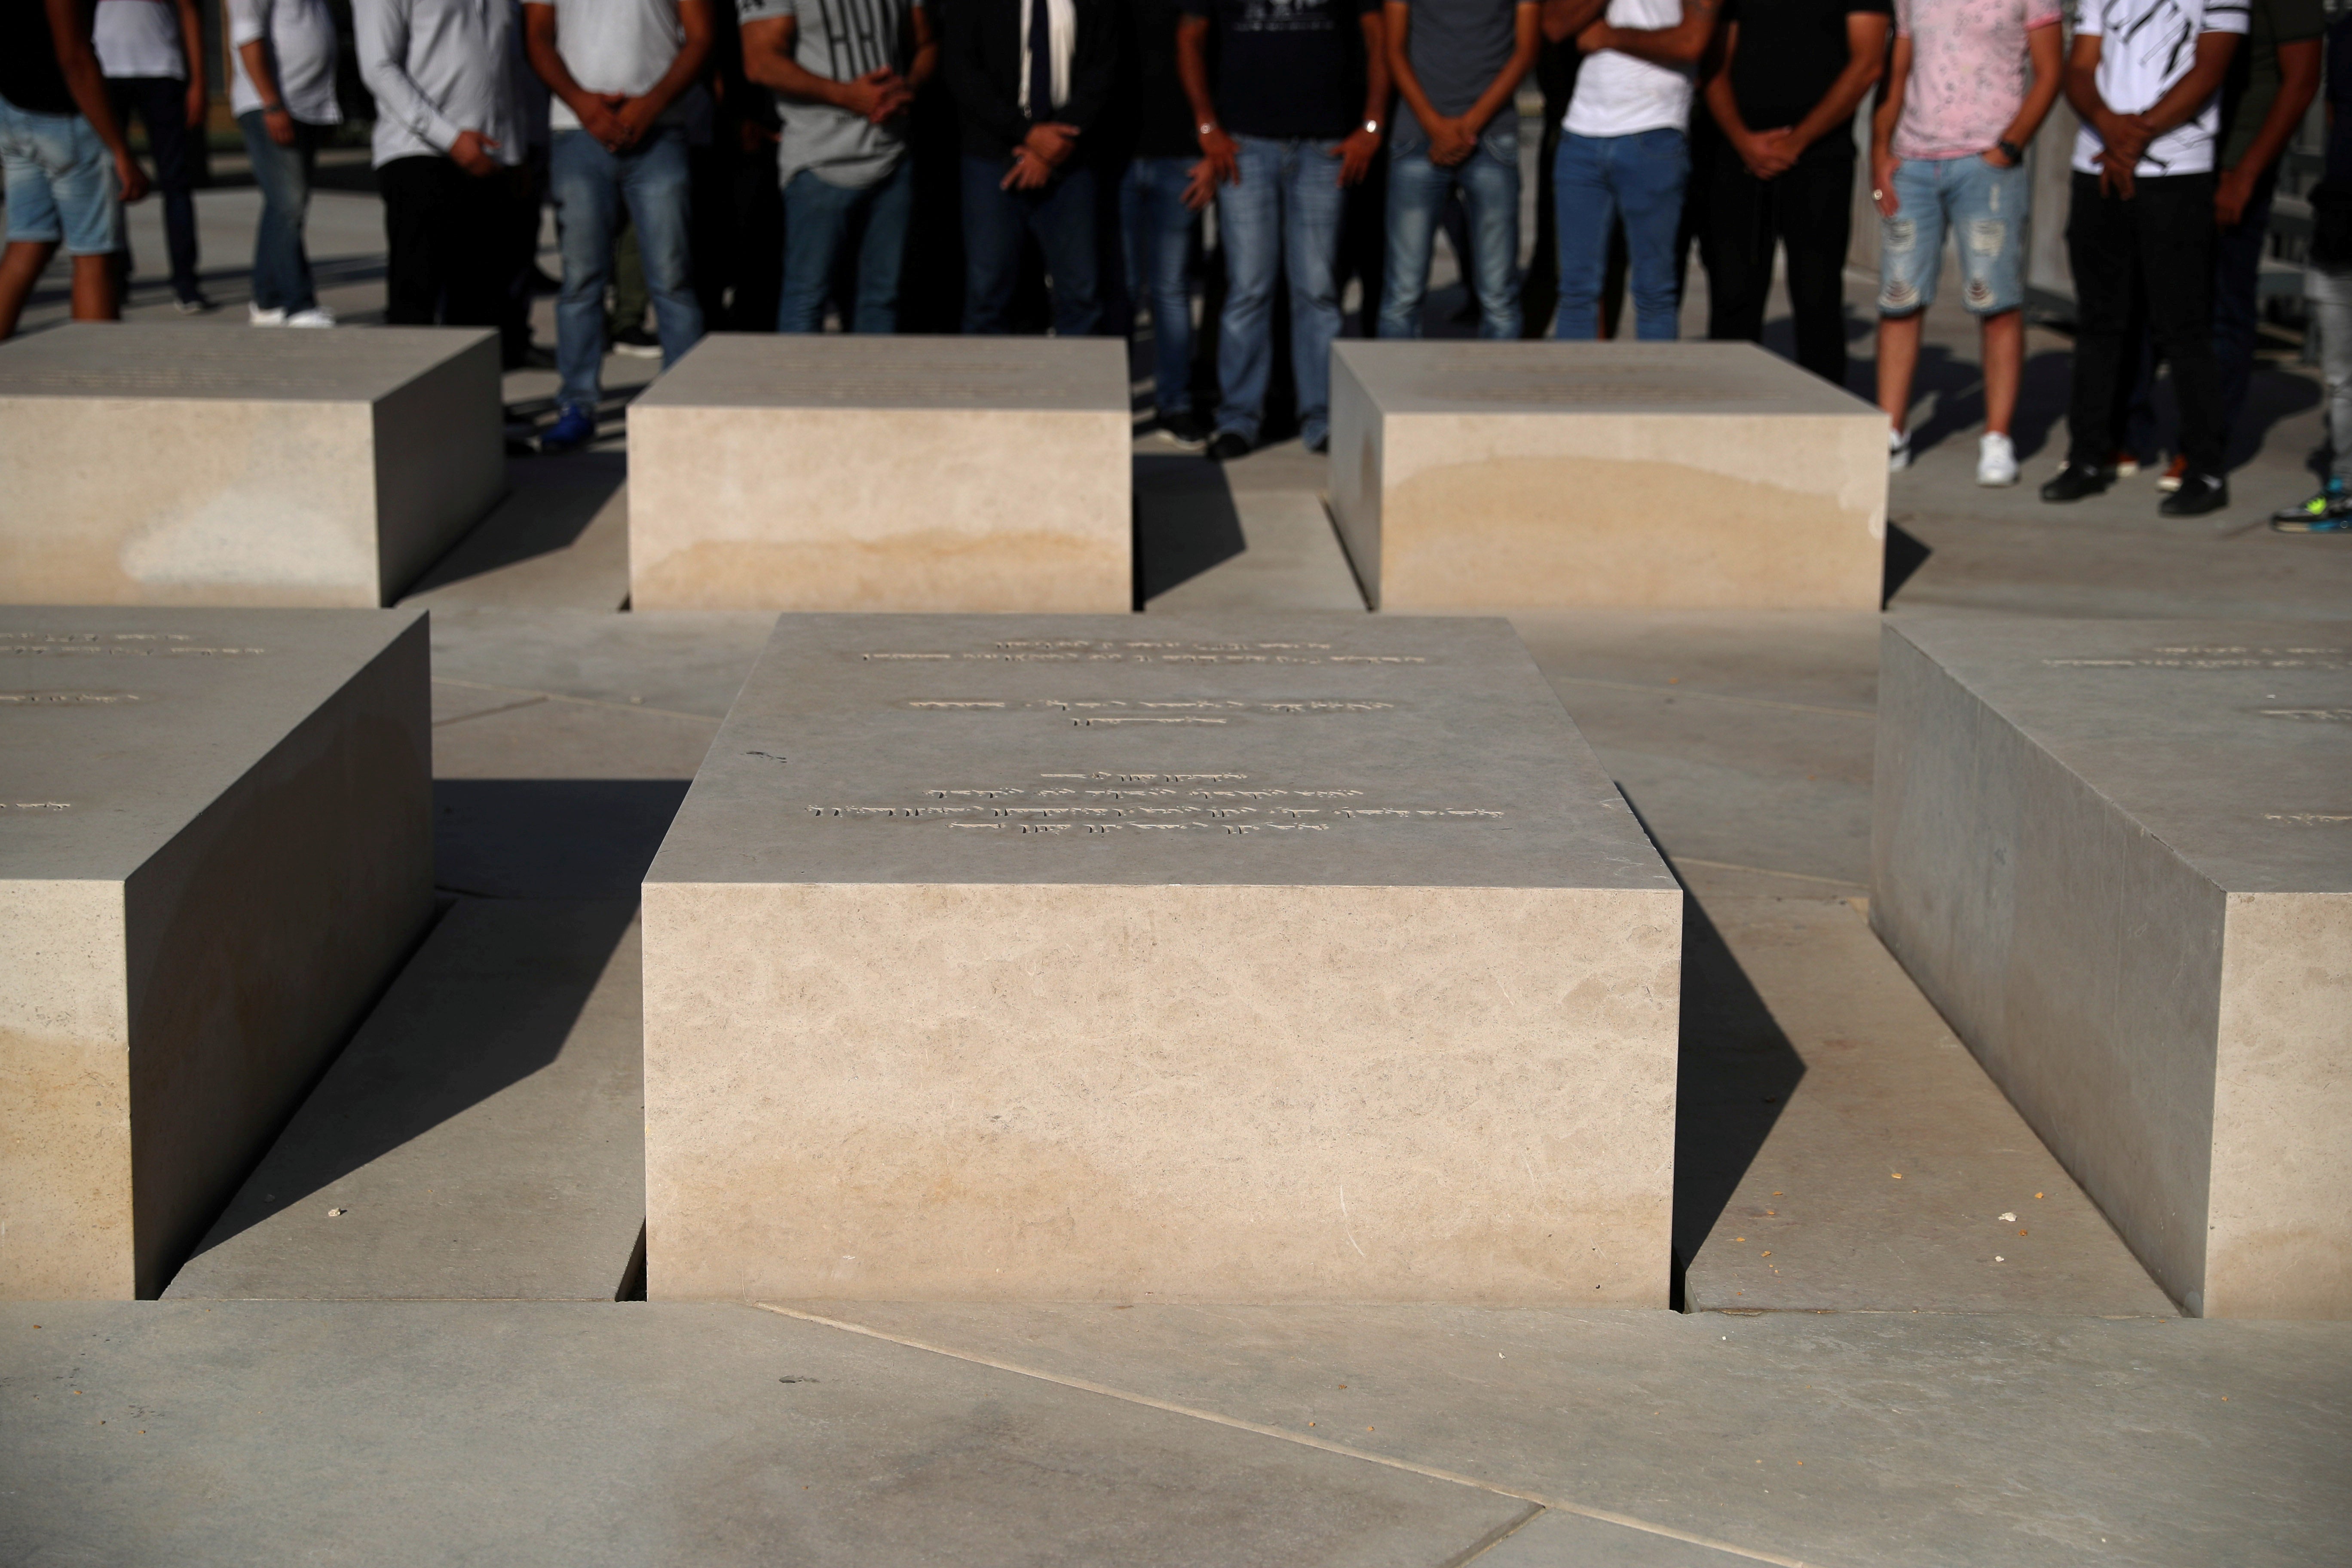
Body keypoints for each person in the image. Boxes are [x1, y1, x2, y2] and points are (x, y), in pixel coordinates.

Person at [2039, 0, 2244, 513]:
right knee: (2099, 323)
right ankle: (2086, 457)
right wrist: (2112, 128)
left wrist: (2136, 136)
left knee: (2184, 326)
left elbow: (2210, 67)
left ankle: (2206, 468)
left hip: (2177, 173)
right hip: (2098, 166)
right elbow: (2080, 68)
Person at [1180, 0, 1389, 456]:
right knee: (1249, 290)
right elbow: (1190, 36)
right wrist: (1206, 124)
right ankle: (1238, 419)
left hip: (1325, 147)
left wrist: (1372, 125)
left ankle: (1322, 419)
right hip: (1245, 146)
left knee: (1317, 292)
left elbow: (1378, 38)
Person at [1869, 0, 2062, 484]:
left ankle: (1997, 439)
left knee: (1995, 301)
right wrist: (1880, 155)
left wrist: (2010, 146)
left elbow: (2051, 71)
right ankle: (1891, 432)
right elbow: (1899, 74)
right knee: (1899, 300)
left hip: (1986, 164)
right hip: (1912, 164)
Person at [2130, 0, 2319, 493]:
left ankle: (2202, 448)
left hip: (2235, 162)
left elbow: (2300, 81)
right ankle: (2128, 430)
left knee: (2223, 305)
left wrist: (2246, 174)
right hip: (2168, 153)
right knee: (2148, 294)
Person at [527, 0, 713, 452]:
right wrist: (584, 104)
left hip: (660, 129)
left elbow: (701, 36)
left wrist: (650, 103)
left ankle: (682, 404)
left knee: (672, 277)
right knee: (582, 279)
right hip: (577, 129)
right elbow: (537, 37)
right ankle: (577, 404)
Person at [1701, 0, 1889, 386]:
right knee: (1733, 295)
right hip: (1739, 156)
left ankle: (1826, 426)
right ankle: (1726, 419)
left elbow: (1868, 63)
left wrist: (1797, 142)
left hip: (1821, 159)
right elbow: (1711, 55)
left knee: (1817, 295)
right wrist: (1743, 140)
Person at [740, 0, 935, 333]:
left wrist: (909, 86)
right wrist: (847, 96)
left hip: (891, 158)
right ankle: (801, 387)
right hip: (819, 162)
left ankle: (871, 387)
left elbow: (926, 42)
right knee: (807, 300)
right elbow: (760, 63)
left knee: (883, 299)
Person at [940, 0, 1116, 335]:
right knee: (987, 295)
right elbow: (961, 68)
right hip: (992, 158)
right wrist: (1028, 134)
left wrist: (1054, 144)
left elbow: (1104, 69)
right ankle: (988, 386)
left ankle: (1075, 386)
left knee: (1080, 295)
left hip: (1070, 157)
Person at [1545, 0, 1717, 341]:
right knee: (1576, 291)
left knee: (1654, 292)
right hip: (1581, 133)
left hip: (1653, 132)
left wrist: (1610, 36)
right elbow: (1554, 25)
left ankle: (1651, 392)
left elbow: (1691, 43)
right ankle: (1573, 392)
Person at [357, 0, 526, 330]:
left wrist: (517, 153)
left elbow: (509, 69)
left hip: (489, 159)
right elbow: (378, 66)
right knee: (416, 300)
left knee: (481, 307)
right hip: (418, 153)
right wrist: (449, 138)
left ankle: (470, 382)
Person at [1380, 0, 1539, 339]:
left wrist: (1470, 125)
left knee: (1499, 295)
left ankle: (1495, 389)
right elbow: (1393, 50)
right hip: (1416, 136)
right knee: (1402, 293)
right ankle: (1393, 389)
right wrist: (1433, 124)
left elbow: (1526, 51)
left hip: (1493, 137)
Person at [1, 0, 148, 340]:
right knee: (94, 257)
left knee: (28, 240)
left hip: (16, 110)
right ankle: (94, 372)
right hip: (65, 117)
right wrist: (120, 150)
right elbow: (75, 59)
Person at [2274, 3, 2352, 531]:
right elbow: (2332, 115)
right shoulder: (2343, 35)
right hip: (2340, 226)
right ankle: (2345, 490)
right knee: (2342, 378)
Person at [1121, 0, 1211, 440]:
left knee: (1170, 289)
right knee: (1120, 288)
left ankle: (1174, 403)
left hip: (1179, 155)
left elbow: (1220, 59)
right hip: (1114, 159)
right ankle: (1109, 405)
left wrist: (1212, 147)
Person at [227, 0, 344, 326]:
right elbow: (247, 32)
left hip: (306, 104)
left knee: (284, 205)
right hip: (272, 104)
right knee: (288, 204)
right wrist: (271, 102)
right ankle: (299, 304)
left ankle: (268, 300)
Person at [95, 0, 204, 312]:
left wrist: (198, 81)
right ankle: (116, 278)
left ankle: (186, 282)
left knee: (176, 182)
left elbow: (189, 11)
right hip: (105, 69)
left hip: (162, 69)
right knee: (110, 182)